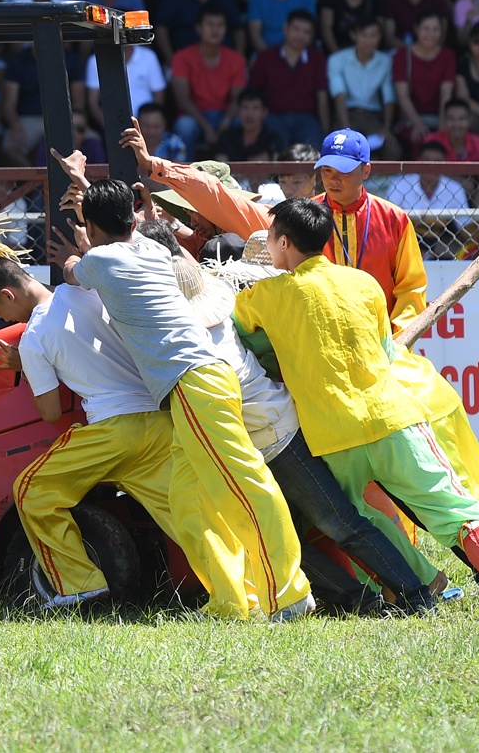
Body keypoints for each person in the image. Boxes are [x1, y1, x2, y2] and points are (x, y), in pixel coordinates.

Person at [237, 199, 479, 618]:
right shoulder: (363, 283)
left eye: (270, 238)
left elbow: (243, 335)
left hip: (335, 440)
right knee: (459, 513)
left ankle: (428, 581)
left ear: (283, 243)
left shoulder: (263, 296)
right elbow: (384, 350)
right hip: (394, 418)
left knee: (365, 524)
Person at [63, 175, 313, 620]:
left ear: (94, 229)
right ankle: (231, 601)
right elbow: (125, 230)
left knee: (245, 484)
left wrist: (81, 242)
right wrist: (90, 203)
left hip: (192, 381)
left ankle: (290, 593)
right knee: (186, 497)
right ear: (133, 217)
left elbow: (72, 271)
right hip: (200, 382)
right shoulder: (155, 249)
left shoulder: (99, 260)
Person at [0, 253, 183, 611]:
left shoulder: (33, 337)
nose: (3, 320)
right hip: (161, 420)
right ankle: (247, 583)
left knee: (31, 491)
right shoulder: (81, 292)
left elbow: (50, 411)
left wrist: (32, 368)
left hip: (115, 432)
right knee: (187, 513)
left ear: (8, 296)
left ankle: (81, 586)